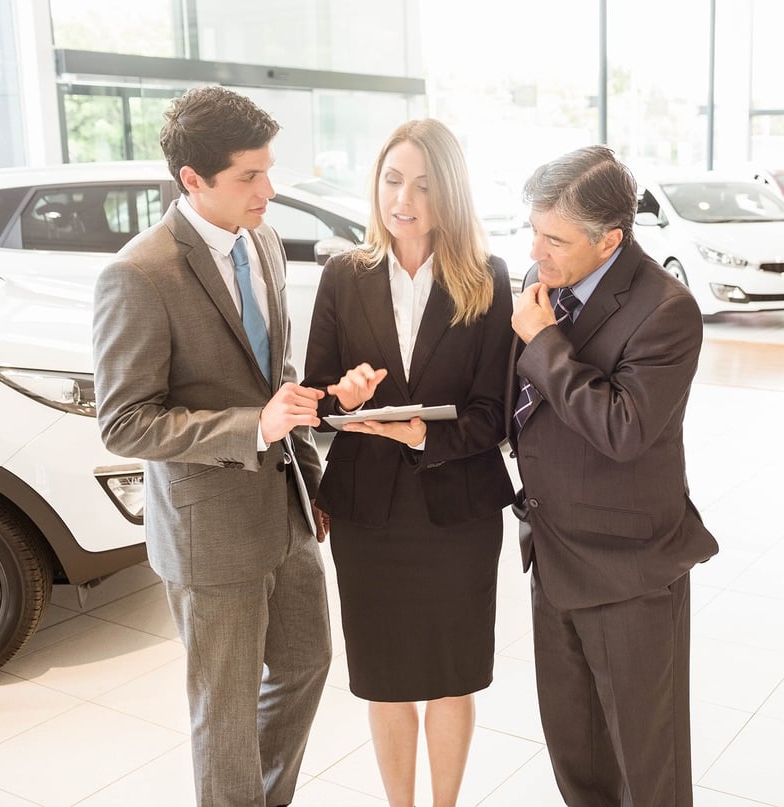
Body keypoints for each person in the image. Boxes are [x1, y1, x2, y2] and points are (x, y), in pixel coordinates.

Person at [92, 85, 332, 807]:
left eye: (269, 169)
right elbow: (126, 421)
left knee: (305, 664)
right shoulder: (138, 275)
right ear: (192, 180)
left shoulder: (261, 242)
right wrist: (251, 426)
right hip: (209, 531)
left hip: (284, 509)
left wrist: (309, 479)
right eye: (249, 177)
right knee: (223, 715)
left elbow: (276, 373)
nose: (269, 190)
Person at [301, 118, 514, 807]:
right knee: (385, 678)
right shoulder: (344, 274)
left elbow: (494, 413)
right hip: (371, 514)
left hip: (457, 512)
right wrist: (344, 396)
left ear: (448, 192)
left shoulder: (487, 278)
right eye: (393, 180)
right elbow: (319, 396)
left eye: (423, 184)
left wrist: (423, 436)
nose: (405, 198)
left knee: (452, 676)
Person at [507, 145, 719, 806]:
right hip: (554, 552)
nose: (536, 251)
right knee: (576, 752)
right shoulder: (541, 284)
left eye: (554, 239)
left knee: (646, 765)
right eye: (533, 231)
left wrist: (544, 342)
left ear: (611, 240)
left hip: (630, 572)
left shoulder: (666, 310)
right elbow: (519, 405)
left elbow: (623, 428)